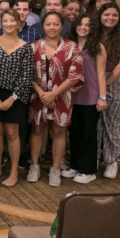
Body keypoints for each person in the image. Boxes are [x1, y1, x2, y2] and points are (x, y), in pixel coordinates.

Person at [27, 12, 84, 186]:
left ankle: (55, 169)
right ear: (43, 26)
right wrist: (43, 94)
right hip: (38, 97)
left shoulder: (71, 47)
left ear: (61, 26)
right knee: (37, 131)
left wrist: (53, 94)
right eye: (48, 24)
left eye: (55, 24)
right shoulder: (33, 47)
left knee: (59, 133)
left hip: (62, 98)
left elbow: (75, 75)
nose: (52, 28)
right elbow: (27, 74)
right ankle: (34, 167)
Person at [0, 9, 33, 187]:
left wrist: (12, 98)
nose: (9, 24)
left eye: (12, 21)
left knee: (12, 134)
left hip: (14, 97)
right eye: (5, 21)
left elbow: (26, 77)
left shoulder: (25, 47)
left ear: (18, 23)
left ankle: (13, 172)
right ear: (1, 23)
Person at [94, 2, 120, 179]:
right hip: (96, 78)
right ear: (100, 16)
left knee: (113, 122)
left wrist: (106, 83)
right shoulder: (94, 33)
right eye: (106, 15)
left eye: (114, 15)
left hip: (119, 79)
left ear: (119, 18)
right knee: (95, 123)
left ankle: (111, 161)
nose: (110, 18)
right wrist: (99, 82)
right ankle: (93, 159)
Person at [65, 14, 107, 183]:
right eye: (80, 24)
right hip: (72, 96)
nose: (83, 27)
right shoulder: (70, 45)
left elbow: (101, 74)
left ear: (92, 27)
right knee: (74, 133)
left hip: (90, 96)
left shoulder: (98, 47)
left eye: (87, 24)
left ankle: (88, 170)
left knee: (88, 134)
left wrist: (102, 97)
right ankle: (75, 165)